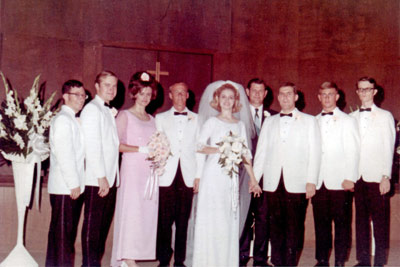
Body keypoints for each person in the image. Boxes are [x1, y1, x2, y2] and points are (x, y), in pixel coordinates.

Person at [193, 81, 262, 267]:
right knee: (213, 217)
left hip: (230, 177)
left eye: (231, 98)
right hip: (213, 175)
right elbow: (199, 146)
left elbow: (245, 153)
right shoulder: (212, 122)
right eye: (223, 97)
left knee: (227, 218)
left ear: (236, 101)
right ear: (217, 99)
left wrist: (253, 179)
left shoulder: (240, 124)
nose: (227, 101)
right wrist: (221, 149)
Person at [253, 82, 321, 267]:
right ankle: (277, 262)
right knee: (275, 227)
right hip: (272, 182)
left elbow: (314, 153)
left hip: (297, 182)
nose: (284, 97)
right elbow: (261, 152)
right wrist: (255, 179)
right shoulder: (270, 121)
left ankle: (290, 263)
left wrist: (311, 181)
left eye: (288, 94)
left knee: (294, 227)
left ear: (296, 97)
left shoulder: (309, 121)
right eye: (281, 94)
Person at [111, 71, 158, 267]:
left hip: (149, 172)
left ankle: (136, 252)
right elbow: (116, 145)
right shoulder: (125, 116)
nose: (145, 97)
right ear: (134, 93)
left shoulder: (152, 119)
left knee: (145, 212)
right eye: (142, 93)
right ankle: (127, 256)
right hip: (131, 170)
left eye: (148, 94)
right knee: (131, 211)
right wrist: (141, 149)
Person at [312, 82, 360, 267]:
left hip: (341, 181)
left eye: (330, 94)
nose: (326, 98)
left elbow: (353, 151)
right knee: (321, 224)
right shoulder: (313, 121)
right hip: (320, 181)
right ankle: (322, 260)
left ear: (337, 96)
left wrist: (350, 177)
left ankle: (340, 260)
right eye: (323, 94)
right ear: (319, 97)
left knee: (342, 224)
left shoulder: (348, 121)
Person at [351, 77, 395, 267]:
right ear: (357, 92)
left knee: (379, 222)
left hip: (377, 177)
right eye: (361, 90)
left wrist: (386, 176)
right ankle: (362, 260)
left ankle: (379, 261)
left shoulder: (385, 116)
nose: (364, 93)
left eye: (367, 89)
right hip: (357, 177)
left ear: (374, 91)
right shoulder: (351, 118)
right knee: (360, 222)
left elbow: (389, 147)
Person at [155, 82, 200, 267]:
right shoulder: (160, 118)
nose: (180, 96)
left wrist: (198, 176)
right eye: (176, 93)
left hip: (187, 175)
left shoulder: (198, 118)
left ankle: (180, 261)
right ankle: (164, 260)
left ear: (188, 95)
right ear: (170, 95)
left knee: (183, 221)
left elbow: (199, 149)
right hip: (166, 174)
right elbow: (157, 145)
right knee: (164, 221)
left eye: (183, 93)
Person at [80, 70, 120, 266]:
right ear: (97, 87)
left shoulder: (106, 110)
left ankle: (94, 263)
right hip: (98, 179)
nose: (112, 90)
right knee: (93, 226)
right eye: (107, 85)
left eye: (114, 86)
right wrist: (101, 176)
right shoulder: (92, 110)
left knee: (102, 228)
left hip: (109, 179)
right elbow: (92, 146)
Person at [45, 80, 86, 267]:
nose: (81, 99)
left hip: (68, 186)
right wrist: (73, 183)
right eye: (76, 95)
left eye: (83, 95)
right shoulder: (63, 120)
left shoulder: (72, 119)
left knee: (61, 235)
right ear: (65, 97)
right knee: (63, 237)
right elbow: (64, 154)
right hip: (65, 187)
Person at [240, 78, 276, 266]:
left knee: (263, 218)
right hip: (243, 176)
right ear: (247, 91)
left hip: (266, 177)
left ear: (265, 94)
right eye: (253, 90)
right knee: (244, 218)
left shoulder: (275, 117)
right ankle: (242, 257)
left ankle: (261, 259)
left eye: (260, 91)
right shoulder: (237, 116)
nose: (256, 94)